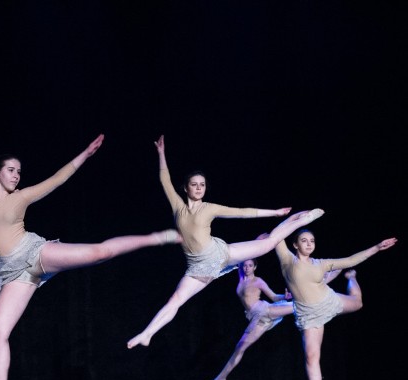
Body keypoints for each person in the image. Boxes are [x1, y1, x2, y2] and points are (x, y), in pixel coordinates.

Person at [0, 91, 181, 380]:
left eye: (19, 171)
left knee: (99, 252)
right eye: (12, 170)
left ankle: (155, 237)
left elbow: (57, 180)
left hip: (33, 253)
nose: (17, 175)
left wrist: (84, 155)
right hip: (11, 274)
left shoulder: (23, 197)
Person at [126, 135, 325, 350]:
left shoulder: (209, 208)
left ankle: (302, 219)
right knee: (175, 300)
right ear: (186, 188)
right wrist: (161, 154)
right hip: (198, 269)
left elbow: (241, 213)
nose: (199, 188)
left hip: (220, 254)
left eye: (202, 185)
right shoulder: (178, 207)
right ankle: (147, 333)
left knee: (269, 243)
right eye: (194, 185)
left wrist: (273, 212)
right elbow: (164, 180)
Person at [275, 229, 397, 380]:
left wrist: (377, 247)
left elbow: (351, 260)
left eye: (312, 241)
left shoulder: (321, 263)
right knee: (311, 357)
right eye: (304, 240)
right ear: (295, 244)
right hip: (308, 314)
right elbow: (275, 235)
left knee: (358, 303)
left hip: (327, 301)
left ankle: (351, 278)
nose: (309, 244)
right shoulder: (287, 259)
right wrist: (274, 232)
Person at [206, 255, 342, 380]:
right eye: (245, 266)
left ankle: (329, 276)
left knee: (300, 303)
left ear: (255, 267)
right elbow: (242, 257)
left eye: (250, 266)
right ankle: (222, 376)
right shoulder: (241, 276)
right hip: (256, 319)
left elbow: (273, 297)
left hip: (264, 311)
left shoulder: (258, 281)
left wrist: (284, 296)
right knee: (240, 347)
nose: (247, 268)